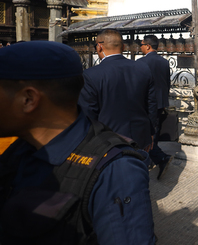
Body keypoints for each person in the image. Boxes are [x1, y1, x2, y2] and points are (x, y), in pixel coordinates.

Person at [0, 41, 155, 244]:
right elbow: (152, 104)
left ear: (29, 99)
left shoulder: (114, 171)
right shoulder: (21, 149)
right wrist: (152, 132)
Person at [78, 29, 158, 150]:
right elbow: (151, 105)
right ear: (123, 47)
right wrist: (151, 133)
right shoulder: (143, 69)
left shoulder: (91, 75)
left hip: (108, 141)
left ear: (99, 47)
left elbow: (88, 114)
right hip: (140, 137)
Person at [139, 34, 173, 179]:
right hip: (160, 103)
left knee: (144, 134)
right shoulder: (164, 62)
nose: (140, 47)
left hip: (146, 103)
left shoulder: (141, 63)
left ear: (147, 46)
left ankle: (158, 157)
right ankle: (154, 157)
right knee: (155, 131)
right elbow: (167, 83)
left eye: (141, 44)